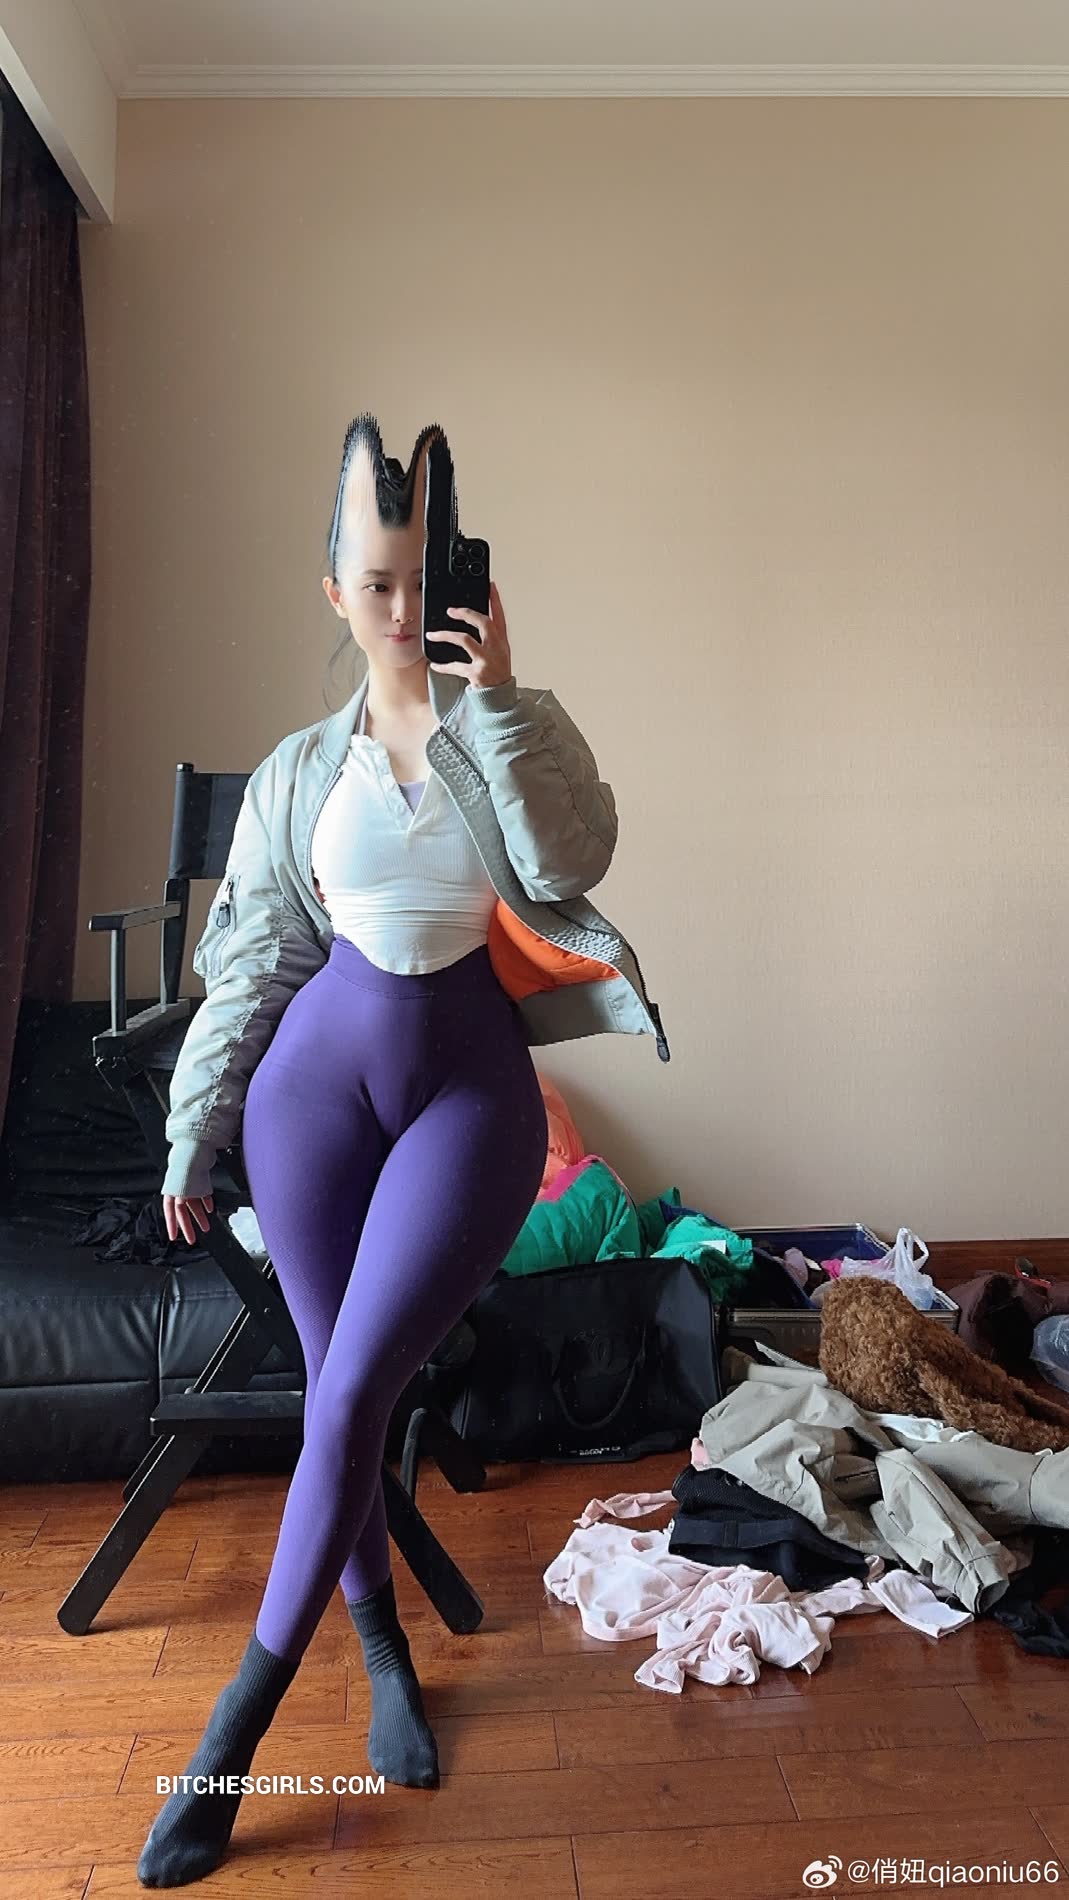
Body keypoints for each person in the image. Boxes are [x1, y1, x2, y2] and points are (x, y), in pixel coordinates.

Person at [136, 414, 667, 1886]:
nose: (397, 608)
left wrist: (498, 698)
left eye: (422, 580)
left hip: (467, 1094)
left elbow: (568, 862)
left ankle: (229, 1739)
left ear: (465, 581)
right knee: (340, 1395)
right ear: (335, 590)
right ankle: (382, 1652)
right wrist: (193, 1130)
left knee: (359, 1387)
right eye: (373, 584)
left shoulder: (519, 727)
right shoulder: (297, 773)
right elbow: (249, 964)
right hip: (310, 1093)